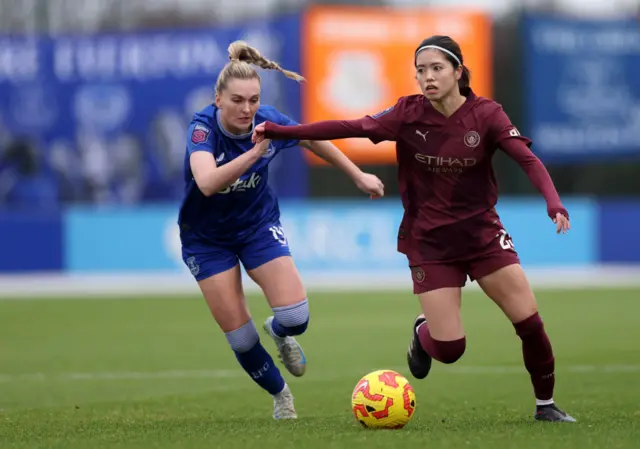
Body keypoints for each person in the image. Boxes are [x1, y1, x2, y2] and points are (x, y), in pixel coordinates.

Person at [252, 35, 576, 423]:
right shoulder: (408, 113)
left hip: (483, 236)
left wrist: (553, 200)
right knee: (451, 348)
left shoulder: (487, 114)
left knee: (529, 321)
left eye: (437, 68)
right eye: (421, 71)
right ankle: (424, 332)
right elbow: (347, 126)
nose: (428, 77)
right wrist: (280, 131)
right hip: (430, 243)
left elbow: (527, 159)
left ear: (458, 71)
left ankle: (546, 407)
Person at [178, 40, 384, 420]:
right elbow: (206, 182)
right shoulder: (201, 130)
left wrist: (357, 175)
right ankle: (281, 395)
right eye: (237, 100)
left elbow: (313, 139)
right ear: (217, 100)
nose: (247, 109)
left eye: (253, 100)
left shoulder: (268, 121)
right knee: (240, 336)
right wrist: (254, 154)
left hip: (256, 226)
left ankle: (278, 331)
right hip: (206, 239)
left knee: (296, 317)